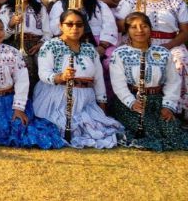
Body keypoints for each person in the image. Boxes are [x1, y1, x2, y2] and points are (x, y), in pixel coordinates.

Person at [0, 17, 65, 149]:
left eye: (0, 29)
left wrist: (19, 107)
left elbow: (22, 81)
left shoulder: (13, 52)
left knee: (19, 126)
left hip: (9, 100)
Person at [33, 10, 123, 149]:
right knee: (60, 129)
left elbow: (98, 79)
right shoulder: (50, 46)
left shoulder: (90, 49)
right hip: (58, 97)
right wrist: (61, 76)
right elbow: (44, 73)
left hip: (86, 100)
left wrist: (102, 106)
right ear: (60, 26)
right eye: (69, 24)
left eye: (79, 25)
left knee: (101, 130)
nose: (74, 28)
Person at [115, 0, 188, 118]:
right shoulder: (130, 1)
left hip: (169, 44)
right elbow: (119, 26)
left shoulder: (175, 2)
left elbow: (185, 32)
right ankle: (132, 106)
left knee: (180, 61)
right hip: (135, 44)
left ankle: (177, 109)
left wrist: (168, 46)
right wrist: (136, 13)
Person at [109, 12, 188, 151]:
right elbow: (118, 84)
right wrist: (131, 102)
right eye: (133, 27)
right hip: (130, 102)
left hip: (157, 100)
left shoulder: (163, 52)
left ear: (150, 29)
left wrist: (168, 105)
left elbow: (173, 81)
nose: (139, 30)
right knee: (152, 130)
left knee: (171, 131)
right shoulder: (119, 53)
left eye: (144, 26)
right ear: (127, 31)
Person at [0, 0, 52, 89]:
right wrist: (11, 24)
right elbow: (2, 36)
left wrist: (40, 44)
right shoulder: (7, 9)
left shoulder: (40, 8)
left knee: (45, 65)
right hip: (15, 44)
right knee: (25, 67)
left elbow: (48, 32)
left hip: (38, 45)